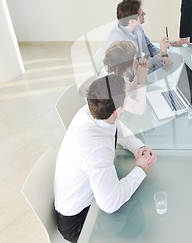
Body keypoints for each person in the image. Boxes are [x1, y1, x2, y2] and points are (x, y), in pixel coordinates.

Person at [54, 75, 157, 243]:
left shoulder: (92, 111)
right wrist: (141, 169)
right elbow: (110, 203)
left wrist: (137, 147)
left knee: (138, 193)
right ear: (118, 110)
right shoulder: (97, 148)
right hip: (79, 221)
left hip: (89, 198)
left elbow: (117, 127)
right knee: (138, 226)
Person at [105, 0, 171, 73]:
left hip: (138, 69)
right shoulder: (120, 43)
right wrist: (161, 55)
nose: (145, 14)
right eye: (141, 14)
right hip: (128, 79)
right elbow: (135, 74)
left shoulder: (136, 27)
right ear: (131, 20)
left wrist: (163, 57)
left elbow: (148, 46)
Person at [100, 40, 148, 115]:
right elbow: (140, 109)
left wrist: (138, 74)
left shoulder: (112, 70)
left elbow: (130, 89)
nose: (135, 60)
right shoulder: (116, 88)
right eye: (133, 57)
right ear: (127, 65)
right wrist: (141, 81)